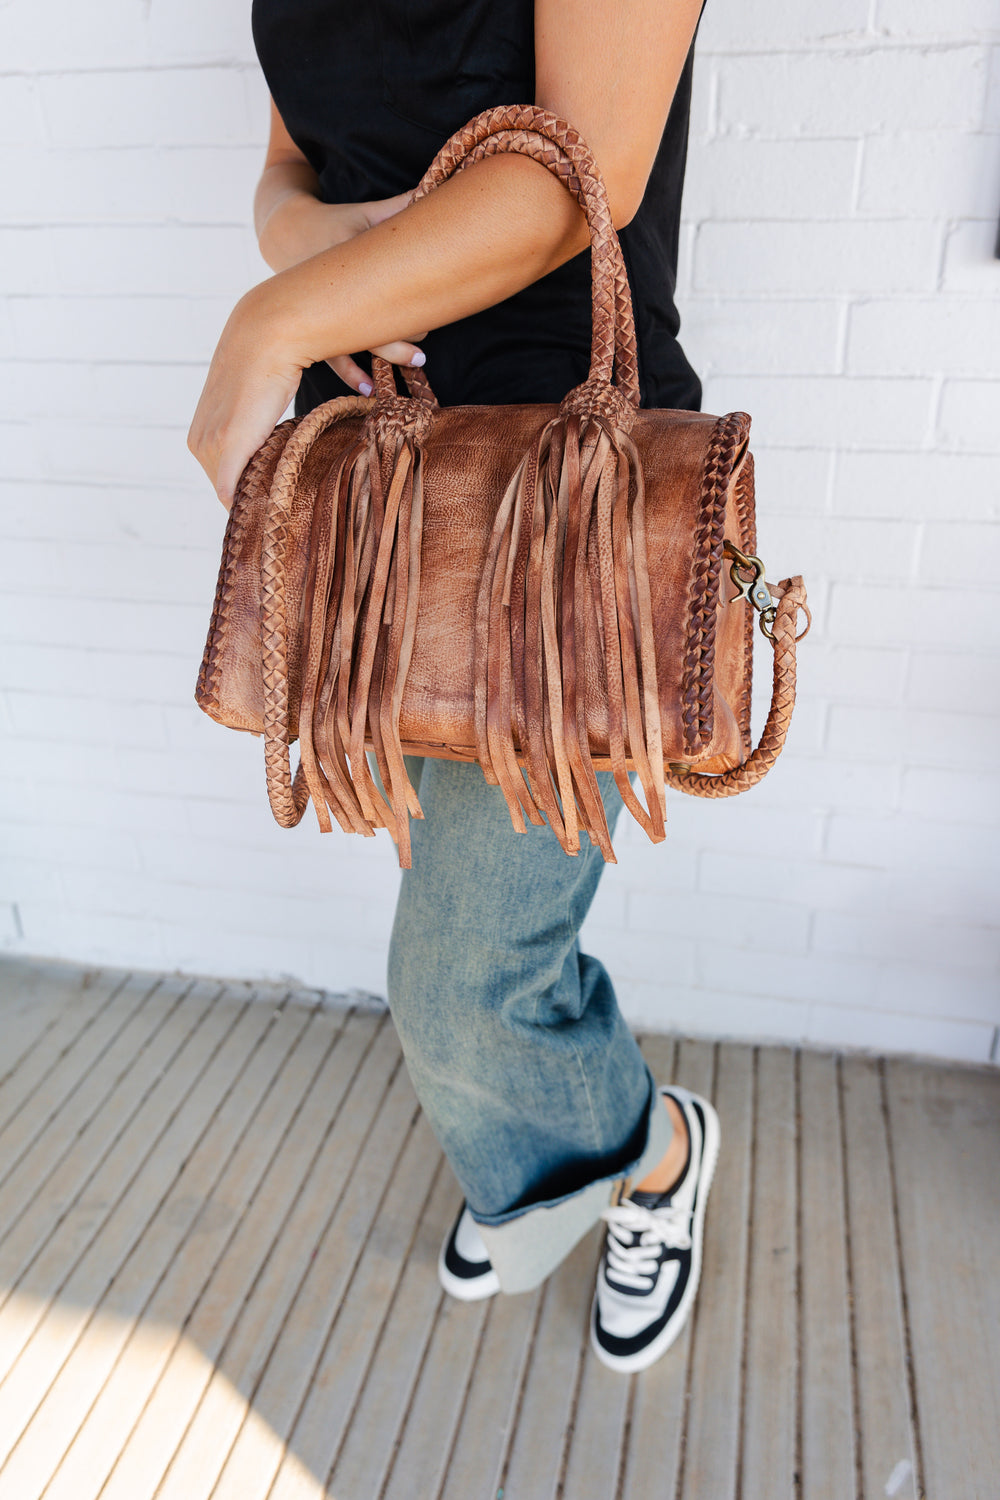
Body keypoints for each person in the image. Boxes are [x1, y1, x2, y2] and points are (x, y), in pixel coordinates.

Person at [188, 0, 718, 1373]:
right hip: (375, 474)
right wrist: (340, 263)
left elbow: (575, 174)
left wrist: (272, 323)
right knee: (448, 902)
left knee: (463, 972)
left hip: (550, 498)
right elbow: (285, 176)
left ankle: (649, 1156)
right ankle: (552, 1156)